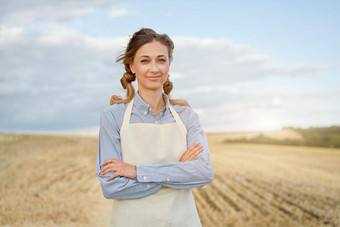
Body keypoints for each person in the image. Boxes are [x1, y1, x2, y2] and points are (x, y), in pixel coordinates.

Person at [96, 28, 214, 227]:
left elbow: (203, 172)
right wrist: (178, 170)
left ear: (169, 64)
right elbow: (112, 186)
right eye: (145, 61)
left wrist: (136, 171)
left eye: (161, 60)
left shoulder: (187, 117)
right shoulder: (113, 117)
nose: (154, 68)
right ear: (131, 66)